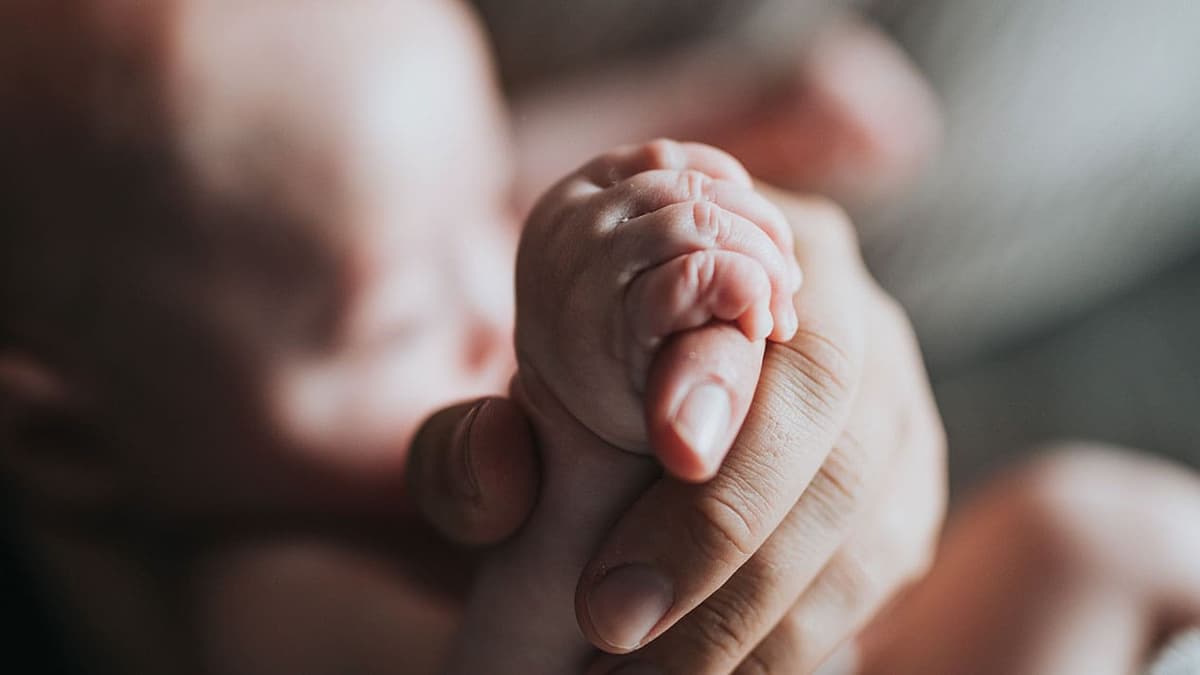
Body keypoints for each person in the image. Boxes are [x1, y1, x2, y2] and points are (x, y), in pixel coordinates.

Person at [0, 1, 945, 673]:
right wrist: (580, 408)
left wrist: (751, 114)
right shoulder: (271, 598)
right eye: (404, 320)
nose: (500, 300)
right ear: (68, 443)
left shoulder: (363, 215)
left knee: (1080, 530)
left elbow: (464, 172)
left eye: (497, 203)